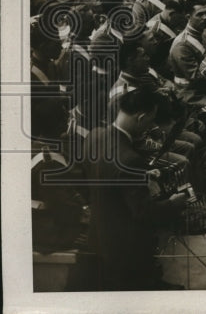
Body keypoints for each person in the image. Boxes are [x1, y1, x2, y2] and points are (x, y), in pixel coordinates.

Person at [82, 87, 188, 290]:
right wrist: (173, 204)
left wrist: (142, 176)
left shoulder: (94, 136)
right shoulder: (131, 160)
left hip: (98, 235)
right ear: (141, 117)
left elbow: (101, 175)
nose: (151, 125)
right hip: (126, 248)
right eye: (151, 120)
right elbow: (143, 211)